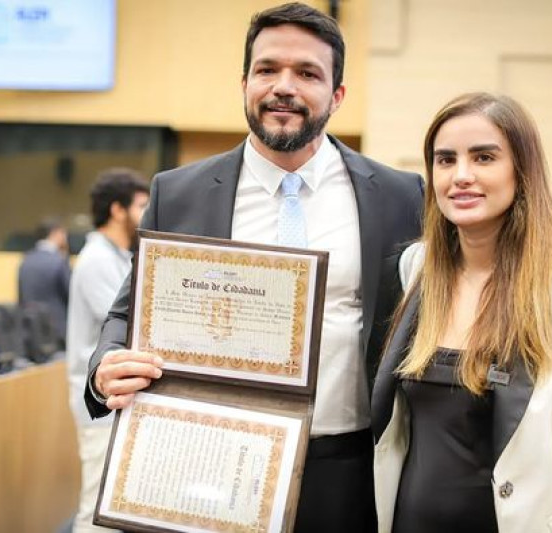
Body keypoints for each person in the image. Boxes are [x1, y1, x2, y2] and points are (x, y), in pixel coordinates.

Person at [83, 3, 425, 532]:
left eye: (307, 73)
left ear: (337, 95)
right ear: (244, 82)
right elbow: (127, 313)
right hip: (215, 463)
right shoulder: (180, 193)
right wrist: (104, 367)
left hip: (350, 468)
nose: (283, 86)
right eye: (267, 69)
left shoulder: (400, 196)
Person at [371, 93, 552, 533]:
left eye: (484, 157)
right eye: (445, 159)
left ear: (521, 171)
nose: (461, 176)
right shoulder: (417, 270)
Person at [67, 168, 150, 533]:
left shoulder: (118, 255)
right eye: (142, 206)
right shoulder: (97, 259)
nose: (149, 214)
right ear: (118, 210)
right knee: (96, 508)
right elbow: (127, 325)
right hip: (100, 402)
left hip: (119, 399)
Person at [18, 217, 70, 346]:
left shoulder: (25, 260)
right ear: (55, 233)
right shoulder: (59, 261)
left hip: (30, 329)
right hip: (57, 330)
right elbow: (71, 295)